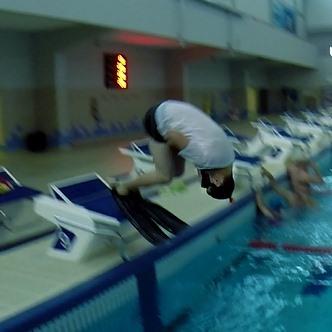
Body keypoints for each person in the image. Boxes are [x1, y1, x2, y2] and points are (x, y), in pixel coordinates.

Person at [114, 100, 235, 200]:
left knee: (178, 172)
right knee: (164, 176)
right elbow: (172, 136)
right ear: (218, 181)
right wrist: (164, 156)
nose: (204, 182)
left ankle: (142, 178)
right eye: (209, 184)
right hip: (156, 119)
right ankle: (124, 187)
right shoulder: (206, 158)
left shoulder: (229, 157)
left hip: (173, 108)